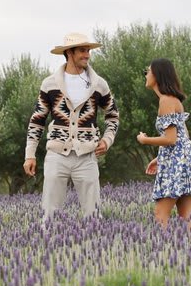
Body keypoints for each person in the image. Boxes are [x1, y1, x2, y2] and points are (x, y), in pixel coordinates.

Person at [23, 32, 120, 219]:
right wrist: (30, 155)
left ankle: (94, 247)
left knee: (94, 215)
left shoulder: (99, 84)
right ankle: (48, 247)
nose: (87, 55)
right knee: (49, 214)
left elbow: (113, 116)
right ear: (69, 53)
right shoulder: (49, 84)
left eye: (88, 51)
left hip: (87, 157)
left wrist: (107, 141)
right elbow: (37, 120)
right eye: (83, 51)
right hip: (56, 156)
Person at [136, 58, 191, 228]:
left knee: (160, 214)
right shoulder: (173, 100)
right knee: (187, 217)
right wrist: (160, 157)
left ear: (157, 74)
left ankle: (162, 251)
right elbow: (184, 135)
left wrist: (145, 140)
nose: (146, 75)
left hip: (177, 161)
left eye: (147, 71)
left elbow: (171, 139)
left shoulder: (166, 101)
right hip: (185, 157)